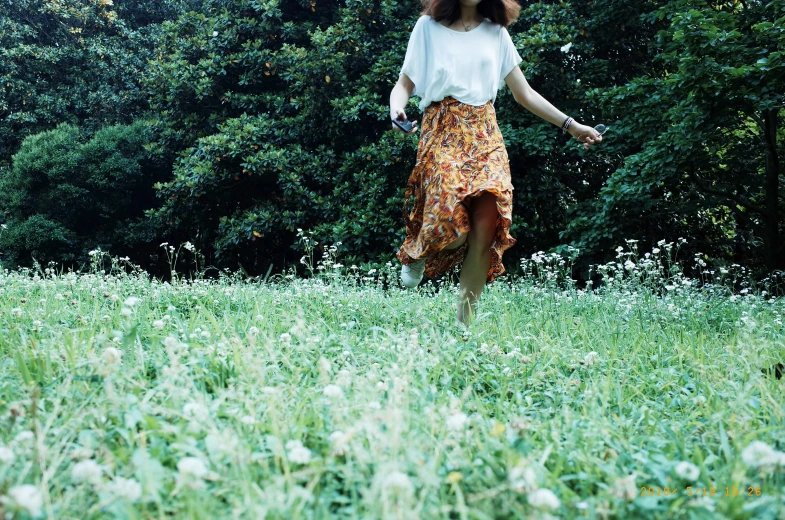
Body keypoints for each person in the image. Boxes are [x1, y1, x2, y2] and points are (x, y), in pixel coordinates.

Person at [390, 0, 602, 324]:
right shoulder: (427, 28)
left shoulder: (496, 32)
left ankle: (464, 329)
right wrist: (397, 111)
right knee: (453, 229)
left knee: (486, 226)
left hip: (485, 134)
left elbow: (525, 93)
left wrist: (572, 126)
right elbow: (404, 85)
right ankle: (419, 247)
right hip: (443, 129)